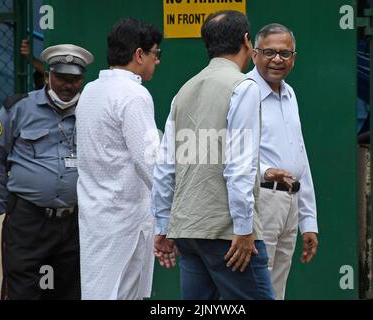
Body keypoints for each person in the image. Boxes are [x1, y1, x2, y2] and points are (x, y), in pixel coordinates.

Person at [152, 10, 274, 300]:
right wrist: (244, 230)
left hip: (188, 230)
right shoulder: (244, 87)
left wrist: (163, 225)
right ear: (247, 40)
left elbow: (165, 166)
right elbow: (239, 165)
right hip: (227, 233)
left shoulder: (184, 90)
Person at [0, 44, 93, 299]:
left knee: (71, 291)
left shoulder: (91, 111)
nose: (68, 86)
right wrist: (8, 204)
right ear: (47, 76)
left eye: (75, 80)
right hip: (28, 219)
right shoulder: (19, 108)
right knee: (21, 290)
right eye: (62, 78)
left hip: (75, 221)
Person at [76, 18, 162, 300]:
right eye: (155, 54)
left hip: (96, 216)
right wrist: (172, 211)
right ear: (139, 55)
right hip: (126, 220)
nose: (157, 62)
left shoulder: (89, 90)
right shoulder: (134, 94)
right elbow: (149, 162)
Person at [247, 23, 319, 300]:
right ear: (255, 54)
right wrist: (266, 172)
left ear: (294, 58)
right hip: (261, 200)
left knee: (277, 289)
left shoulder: (290, 94)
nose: (277, 59)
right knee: (256, 287)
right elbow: (230, 154)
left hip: (290, 203)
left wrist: (308, 221)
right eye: (269, 52)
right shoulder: (246, 92)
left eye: (285, 53)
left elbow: (300, 157)